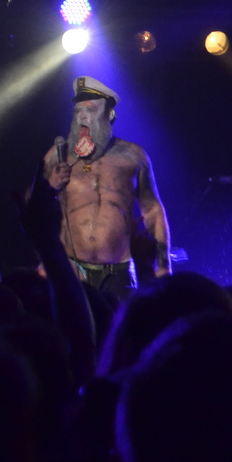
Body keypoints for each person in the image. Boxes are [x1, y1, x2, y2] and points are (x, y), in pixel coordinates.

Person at [42, 76, 170, 299]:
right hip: (72, 271)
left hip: (119, 273)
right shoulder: (57, 156)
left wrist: (163, 265)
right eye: (78, 111)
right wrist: (49, 187)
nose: (82, 116)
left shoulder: (133, 156)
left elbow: (153, 211)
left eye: (91, 110)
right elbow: (33, 212)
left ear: (109, 115)